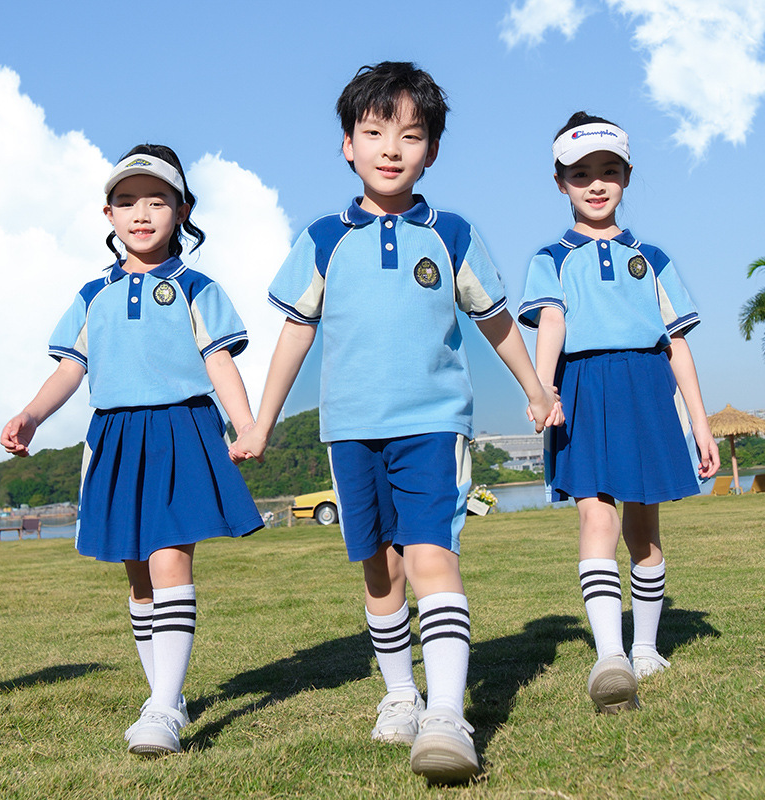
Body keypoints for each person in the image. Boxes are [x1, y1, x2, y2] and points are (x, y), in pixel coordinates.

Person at [233, 62, 560, 783]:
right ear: (347, 144)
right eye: (374, 131)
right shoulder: (323, 237)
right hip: (349, 430)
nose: (391, 147)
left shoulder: (454, 235)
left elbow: (497, 321)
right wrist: (261, 420)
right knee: (379, 569)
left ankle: (446, 715)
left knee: (431, 556)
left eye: (410, 136)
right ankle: (400, 696)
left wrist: (536, 388)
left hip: (433, 425)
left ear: (431, 151)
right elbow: (294, 333)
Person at [0, 145, 263, 756]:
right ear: (107, 214)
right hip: (115, 437)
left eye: (156, 200)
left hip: (181, 429)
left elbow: (218, 361)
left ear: (182, 209)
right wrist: (32, 415)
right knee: (138, 572)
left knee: (170, 556)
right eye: (126, 201)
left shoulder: (197, 286)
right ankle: (162, 694)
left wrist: (246, 424)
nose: (140, 213)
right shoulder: (92, 294)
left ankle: (166, 707)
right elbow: (71, 369)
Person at [518, 112, 720, 714]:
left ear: (627, 176)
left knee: (643, 529)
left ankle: (646, 648)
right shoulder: (550, 257)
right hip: (582, 388)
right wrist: (544, 388)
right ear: (561, 183)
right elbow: (551, 321)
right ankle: (610, 655)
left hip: (645, 388)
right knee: (595, 519)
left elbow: (677, 346)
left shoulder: (651, 257)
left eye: (609, 171)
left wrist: (701, 425)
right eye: (581, 175)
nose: (596, 184)